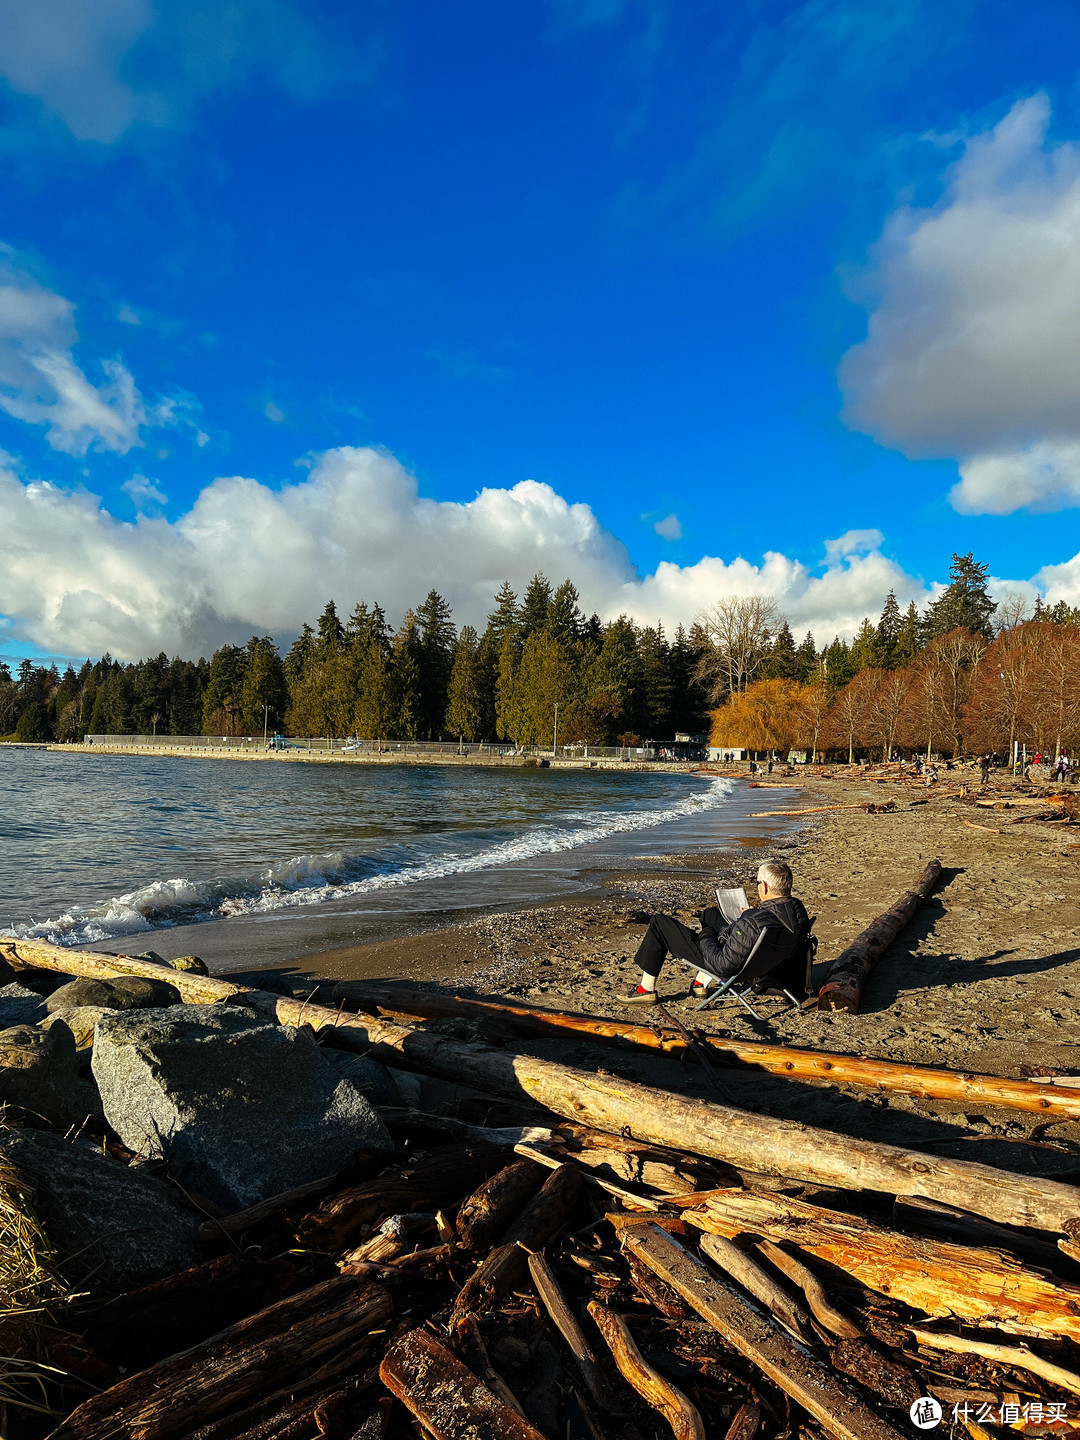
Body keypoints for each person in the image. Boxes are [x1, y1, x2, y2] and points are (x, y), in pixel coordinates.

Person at [622, 858, 812, 1005]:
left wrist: (706, 936)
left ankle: (645, 990)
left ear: (764, 887)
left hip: (731, 966)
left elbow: (722, 965)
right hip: (763, 960)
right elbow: (758, 926)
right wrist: (751, 916)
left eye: (757, 882)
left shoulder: (753, 922)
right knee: (710, 914)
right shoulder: (798, 910)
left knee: (659, 923)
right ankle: (700, 984)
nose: (757, 885)